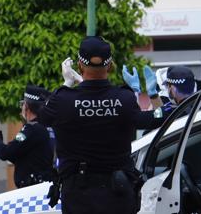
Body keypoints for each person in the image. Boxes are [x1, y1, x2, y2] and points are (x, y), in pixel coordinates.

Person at [38, 36, 144, 214]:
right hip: (118, 195)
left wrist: (67, 83)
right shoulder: (124, 98)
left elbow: (43, 116)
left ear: (79, 65)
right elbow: (146, 119)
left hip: (80, 196)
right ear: (109, 66)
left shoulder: (64, 100)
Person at [0, 85, 57, 189]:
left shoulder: (31, 129)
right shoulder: (47, 127)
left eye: (22, 104)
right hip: (41, 185)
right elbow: (18, 155)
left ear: (27, 106)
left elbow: (5, 153)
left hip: (31, 189)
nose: (21, 108)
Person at [125, 65, 201, 130]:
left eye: (167, 86)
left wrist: (134, 92)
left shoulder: (171, 112)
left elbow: (136, 120)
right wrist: (154, 96)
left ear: (172, 88)